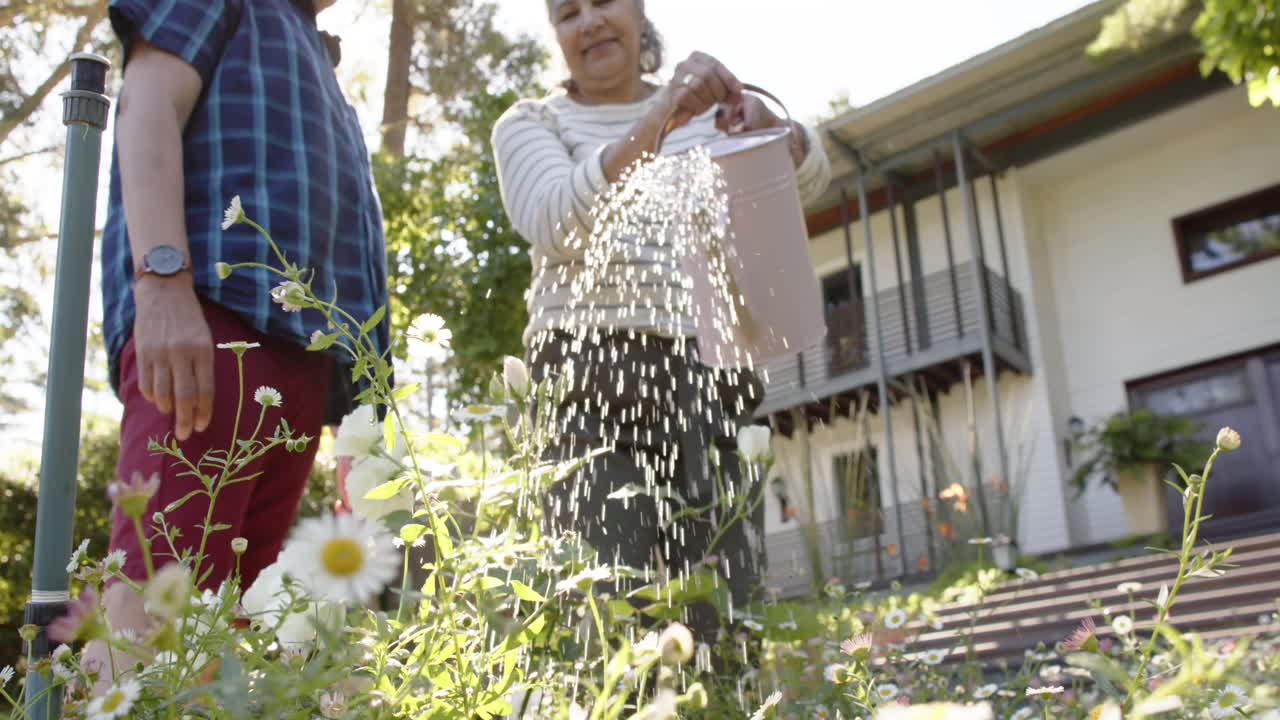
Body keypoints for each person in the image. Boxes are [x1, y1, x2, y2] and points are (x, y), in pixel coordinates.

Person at [492, 0, 830, 644]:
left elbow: (807, 184)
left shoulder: (706, 118)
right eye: (568, 12)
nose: (590, 21)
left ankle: (722, 689)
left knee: (723, 610)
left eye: (603, 2)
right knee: (603, 606)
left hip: (709, 374)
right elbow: (556, 224)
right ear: (554, 32)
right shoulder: (533, 123)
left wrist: (777, 133)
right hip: (588, 382)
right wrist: (658, 120)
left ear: (639, 11)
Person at [93, 0, 388, 668]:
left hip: (305, 362)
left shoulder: (314, 54)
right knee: (153, 611)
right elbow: (147, 105)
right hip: (208, 329)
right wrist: (162, 281)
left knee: (225, 641)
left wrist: (363, 411)